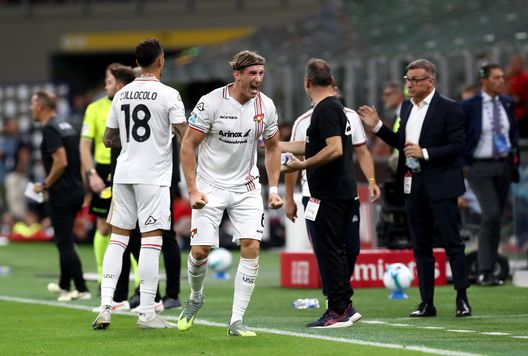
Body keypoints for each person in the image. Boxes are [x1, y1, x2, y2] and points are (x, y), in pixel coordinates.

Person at [178, 50, 283, 337]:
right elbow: (188, 145)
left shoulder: (266, 107)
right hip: (210, 186)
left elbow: (273, 147)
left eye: (261, 74)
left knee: (252, 245)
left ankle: (236, 320)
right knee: (200, 252)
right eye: (252, 74)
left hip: (246, 187)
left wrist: (273, 189)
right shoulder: (211, 103)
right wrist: (193, 190)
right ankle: (196, 297)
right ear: (237, 74)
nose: (258, 80)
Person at [358, 59, 472, 318]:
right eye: (407, 79)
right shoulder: (406, 109)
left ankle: (462, 298)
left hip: (441, 183)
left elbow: (458, 147)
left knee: (452, 241)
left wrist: (426, 153)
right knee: (420, 245)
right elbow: (400, 142)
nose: (409, 84)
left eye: (415, 80)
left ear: (430, 81)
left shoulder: (449, 109)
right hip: (413, 183)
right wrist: (376, 126)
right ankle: (426, 302)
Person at [92, 38, 187, 330]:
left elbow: (109, 138)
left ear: (137, 61)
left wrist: (132, 141)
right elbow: (185, 135)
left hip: (123, 174)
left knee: (118, 239)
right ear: (160, 61)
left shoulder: (122, 95)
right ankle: (147, 312)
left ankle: (106, 304)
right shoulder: (169, 94)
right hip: (153, 176)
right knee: (151, 240)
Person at [281, 58, 365, 328]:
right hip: (340, 191)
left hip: (327, 194)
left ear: (307, 83)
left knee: (329, 251)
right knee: (338, 251)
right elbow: (310, 144)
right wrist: (272, 143)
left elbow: (334, 149)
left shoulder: (325, 109)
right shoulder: (334, 107)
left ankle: (337, 310)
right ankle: (345, 306)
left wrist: (303, 165)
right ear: (331, 81)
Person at [283, 87, 381, 294]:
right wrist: (289, 198)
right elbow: (292, 161)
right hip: (314, 195)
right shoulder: (303, 122)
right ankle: (337, 300)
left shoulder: (352, 117)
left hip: (346, 193)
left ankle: (340, 297)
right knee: (327, 250)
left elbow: (362, 152)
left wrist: (371, 180)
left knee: (352, 250)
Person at [461, 63, 519, 286]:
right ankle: (484, 269)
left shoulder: (507, 103)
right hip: (480, 167)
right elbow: (462, 135)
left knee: (496, 218)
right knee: (491, 214)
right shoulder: (470, 106)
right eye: (496, 77)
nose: (501, 81)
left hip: (503, 165)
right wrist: (464, 164)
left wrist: (513, 159)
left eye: (503, 77)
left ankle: (490, 268)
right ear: (484, 80)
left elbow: (512, 133)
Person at [31, 90, 90, 302]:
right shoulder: (65, 125)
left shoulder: (49, 129)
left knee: (64, 242)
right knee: (65, 238)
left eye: (32, 104)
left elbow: (61, 161)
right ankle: (65, 284)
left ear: (40, 106)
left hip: (62, 193)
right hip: (75, 189)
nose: (31, 108)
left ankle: (81, 288)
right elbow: (79, 160)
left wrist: (45, 184)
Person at [80, 63, 133, 289]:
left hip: (127, 167)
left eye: (109, 81)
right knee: (104, 227)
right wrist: (91, 174)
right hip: (102, 170)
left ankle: (139, 283)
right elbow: (84, 145)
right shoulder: (94, 108)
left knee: (131, 228)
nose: (105, 85)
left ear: (119, 84)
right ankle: (103, 276)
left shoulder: (132, 105)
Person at [506, 55, 528, 138]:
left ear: (522, 65)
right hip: (514, 115)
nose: (513, 66)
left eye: (516, 64)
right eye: (512, 64)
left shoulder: (524, 78)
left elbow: (517, 99)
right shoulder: (511, 78)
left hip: (523, 115)